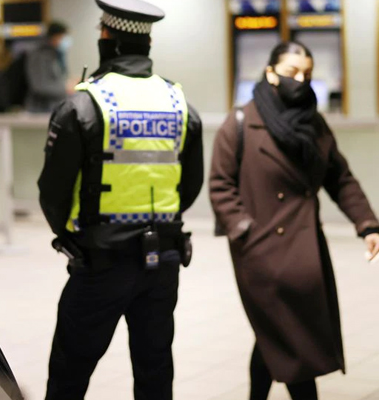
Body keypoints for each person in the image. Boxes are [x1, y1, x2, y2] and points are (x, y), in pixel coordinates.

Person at [38, 1, 203, 399]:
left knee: (69, 373)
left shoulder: (84, 104)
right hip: (163, 261)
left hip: (100, 260)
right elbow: (190, 185)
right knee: (155, 371)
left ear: (106, 37)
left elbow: (53, 190)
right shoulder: (179, 104)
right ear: (146, 41)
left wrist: (68, 234)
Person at [209, 41, 379, 400]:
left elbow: (340, 177)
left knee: (275, 335)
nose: (299, 81)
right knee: (293, 338)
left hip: (304, 250)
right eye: (291, 73)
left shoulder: (313, 124)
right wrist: (243, 230)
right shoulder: (241, 121)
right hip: (259, 251)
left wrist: (367, 224)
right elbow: (221, 185)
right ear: (271, 73)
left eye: (306, 74)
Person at [24, 21, 71, 113]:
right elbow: (39, 86)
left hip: (54, 108)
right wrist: (65, 88)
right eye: (63, 37)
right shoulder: (39, 55)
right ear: (55, 36)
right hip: (40, 110)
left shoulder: (56, 54)